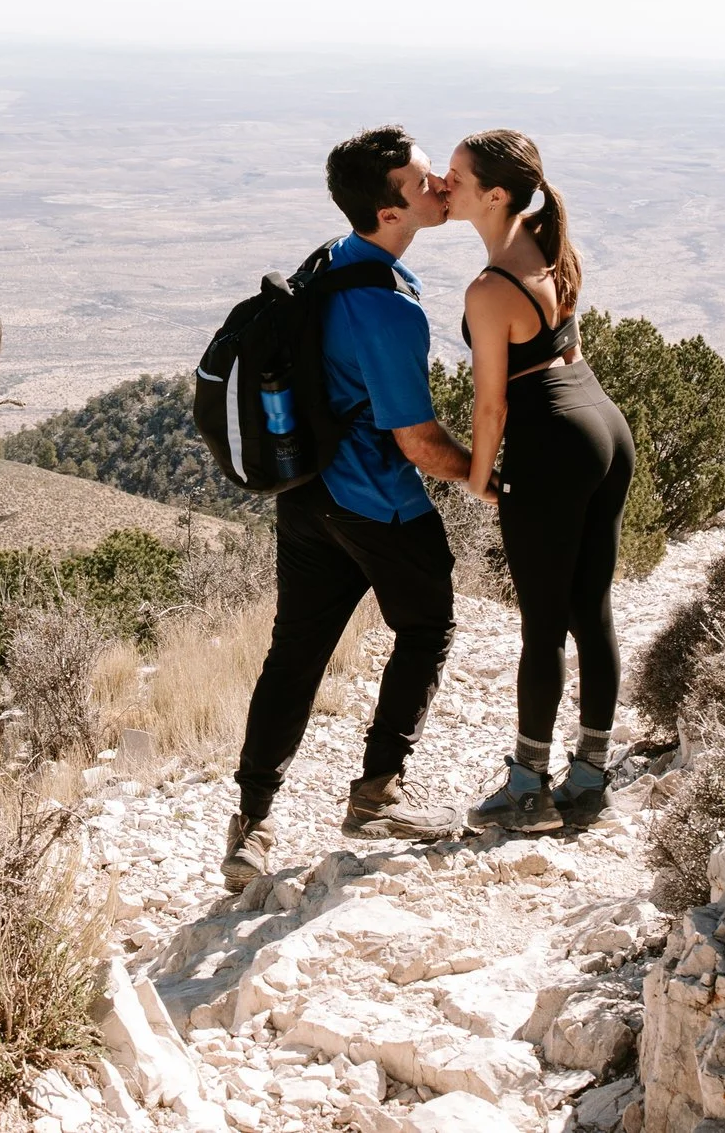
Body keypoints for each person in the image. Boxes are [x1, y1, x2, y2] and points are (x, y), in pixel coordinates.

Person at [222, 125, 476, 891]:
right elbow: (419, 442)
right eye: (426, 180)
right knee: (427, 623)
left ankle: (252, 823)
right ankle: (377, 793)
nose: (439, 188)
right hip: (377, 503)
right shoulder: (391, 309)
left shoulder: (331, 260)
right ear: (391, 210)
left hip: (306, 496)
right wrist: (490, 478)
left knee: (294, 654)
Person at [445, 129, 635, 833]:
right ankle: (589, 775)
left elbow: (491, 402)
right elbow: (568, 346)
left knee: (543, 625)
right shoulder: (546, 240)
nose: (446, 186)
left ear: (494, 195)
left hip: (552, 444)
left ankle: (528, 791)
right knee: (593, 608)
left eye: (457, 178)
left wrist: (476, 474)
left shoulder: (489, 289)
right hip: (604, 425)